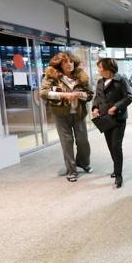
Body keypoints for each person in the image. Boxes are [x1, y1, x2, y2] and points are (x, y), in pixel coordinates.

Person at [39, 52, 93, 182]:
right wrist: (64, 95)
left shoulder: (82, 76)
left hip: (79, 114)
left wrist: (81, 95)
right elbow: (43, 93)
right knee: (67, 142)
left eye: (71, 61)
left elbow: (90, 94)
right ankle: (71, 171)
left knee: (83, 141)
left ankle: (83, 163)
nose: (69, 64)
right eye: (65, 62)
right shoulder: (52, 77)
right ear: (60, 65)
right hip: (61, 115)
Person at [91, 58, 132, 188]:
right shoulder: (99, 82)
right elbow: (97, 98)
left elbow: (129, 97)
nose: (98, 70)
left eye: (100, 67)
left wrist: (116, 107)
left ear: (108, 68)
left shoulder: (121, 80)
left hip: (118, 118)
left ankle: (118, 175)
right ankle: (116, 169)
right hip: (104, 118)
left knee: (116, 145)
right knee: (110, 146)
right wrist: (95, 108)